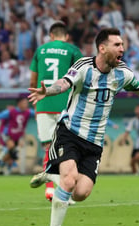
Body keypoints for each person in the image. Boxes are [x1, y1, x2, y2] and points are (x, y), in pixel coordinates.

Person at [27, 28, 139, 226]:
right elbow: (64, 83)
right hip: (70, 132)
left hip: (95, 141)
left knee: (81, 193)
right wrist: (47, 90)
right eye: (117, 45)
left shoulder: (123, 72)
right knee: (70, 180)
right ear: (102, 48)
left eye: (122, 45)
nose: (122, 49)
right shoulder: (83, 66)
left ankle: (51, 174)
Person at [29, 21, 83, 201]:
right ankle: (64, 192)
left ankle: (50, 189)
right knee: (67, 148)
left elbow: (33, 81)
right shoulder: (73, 50)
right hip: (65, 104)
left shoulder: (40, 51)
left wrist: (36, 101)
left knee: (48, 147)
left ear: (51, 36)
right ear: (66, 36)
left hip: (43, 103)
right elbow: (80, 77)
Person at [0, 97, 35, 175]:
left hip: (18, 136)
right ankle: (2, 167)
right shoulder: (10, 112)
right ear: (19, 104)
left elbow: (38, 113)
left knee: (11, 154)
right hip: (7, 134)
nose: (26, 104)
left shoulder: (28, 112)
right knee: (11, 148)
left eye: (26, 103)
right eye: (24, 103)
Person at [122, 104, 139, 174]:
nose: (138, 111)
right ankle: (136, 174)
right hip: (137, 144)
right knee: (132, 162)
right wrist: (123, 140)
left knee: (137, 158)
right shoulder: (133, 120)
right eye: (137, 109)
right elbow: (127, 131)